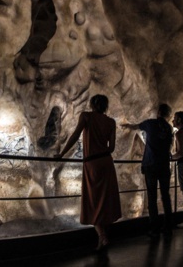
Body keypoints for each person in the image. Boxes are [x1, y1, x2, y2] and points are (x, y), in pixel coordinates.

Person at [55, 94, 122, 250]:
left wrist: (62, 154)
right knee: (104, 200)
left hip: (92, 163)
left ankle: (102, 237)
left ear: (92, 105)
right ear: (106, 106)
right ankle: (102, 238)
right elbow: (111, 148)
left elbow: (75, 136)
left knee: (93, 200)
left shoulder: (86, 116)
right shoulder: (111, 122)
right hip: (106, 162)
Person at [121, 103, 174, 236]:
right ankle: (168, 226)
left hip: (151, 164)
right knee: (166, 196)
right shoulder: (169, 128)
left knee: (152, 196)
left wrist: (127, 126)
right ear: (168, 115)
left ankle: (154, 228)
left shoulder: (151, 124)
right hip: (164, 165)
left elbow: (136, 126)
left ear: (158, 113)